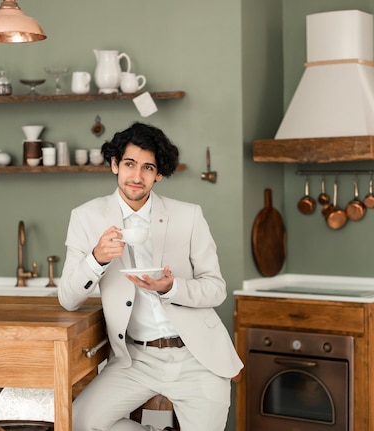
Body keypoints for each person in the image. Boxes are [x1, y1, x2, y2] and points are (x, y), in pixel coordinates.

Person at [58, 122, 243, 431]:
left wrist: (172, 287)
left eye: (148, 168)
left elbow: (216, 289)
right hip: (134, 359)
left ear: (158, 174)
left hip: (196, 356)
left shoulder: (189, 215)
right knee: (77, 423)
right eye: (129, 164)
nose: (137, 176)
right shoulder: (85, 217)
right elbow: (68, 299)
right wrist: (96, 258)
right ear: (115, 165)